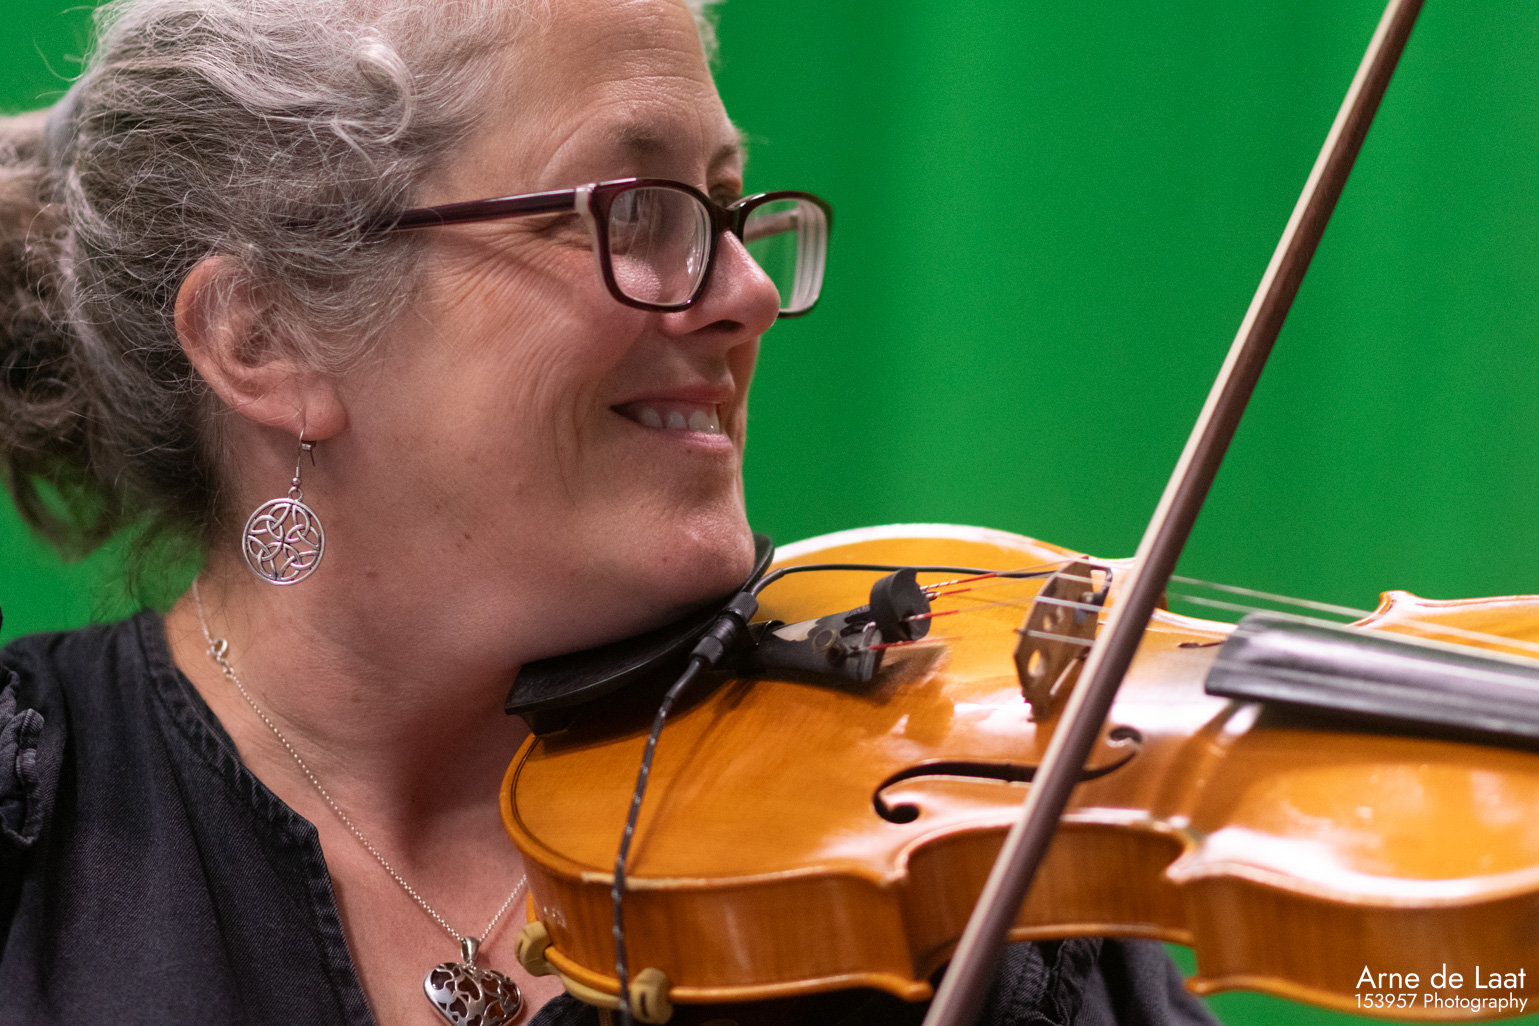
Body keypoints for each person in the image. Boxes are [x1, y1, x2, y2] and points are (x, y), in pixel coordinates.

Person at [0, 0, 1219, 1023]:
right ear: (263, 335)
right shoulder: (29, 837)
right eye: (634, 211)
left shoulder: (944, 877)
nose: (747, 290)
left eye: (727, 206)